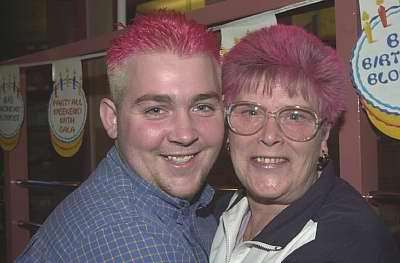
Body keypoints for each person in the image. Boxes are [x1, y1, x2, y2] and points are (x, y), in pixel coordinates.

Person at [17, 11, 224, 262]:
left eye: (202, 107)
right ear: (112, 119)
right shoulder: (141, 247)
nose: (184, 134)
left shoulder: (130, 194)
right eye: (155, 110)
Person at [210, 24, 400, 262]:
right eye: (250, 112)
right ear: (228, 128)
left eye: (295, 116)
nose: (269, 136)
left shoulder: (347, 244)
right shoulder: (217, 213)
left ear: (324, 136)